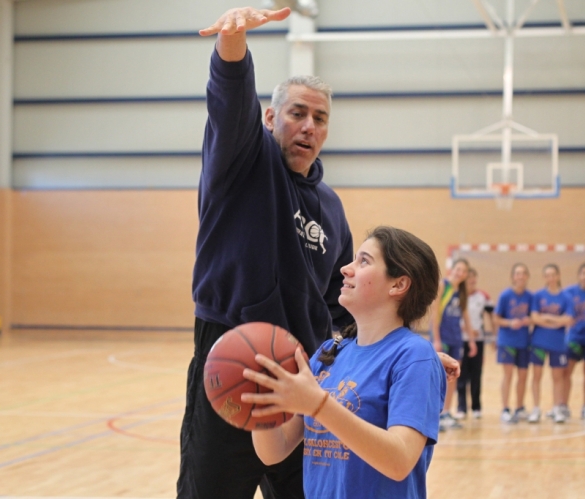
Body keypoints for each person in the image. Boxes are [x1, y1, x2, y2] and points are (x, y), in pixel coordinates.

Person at [181, 8, 460, 498]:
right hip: (232, 358)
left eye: (320, 118)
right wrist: (233, 40)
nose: (309, 126)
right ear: (271, 118)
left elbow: (346, 310)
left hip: (309, 372)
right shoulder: (243, 160)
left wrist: (402, 355)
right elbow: (229, 99)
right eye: (297, 114)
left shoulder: (331, 208)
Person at [242, 226, 446, 499]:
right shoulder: (330, 352)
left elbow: (400, 460)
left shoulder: (414, 356)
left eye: (364, 261)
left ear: (398, 285)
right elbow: (273, 452)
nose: (345, 269)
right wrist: (260, 400)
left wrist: (318, 404)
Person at [432, 259, 478, 430]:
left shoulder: (462, 291)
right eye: (458, 269)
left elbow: (465, 316)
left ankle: (446, 412)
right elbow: (434, 314)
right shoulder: (443, 286)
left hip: (456, 338)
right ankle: (435, 415)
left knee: (452, 376)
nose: (460, 273)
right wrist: (436, 339)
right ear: (452, 269)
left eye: (464, 271)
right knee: (439, 377)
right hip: (443, 337)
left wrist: (471, 340)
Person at [529, 264, 574, 424]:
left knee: (558, 377)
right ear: (544, 277)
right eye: (547, 275)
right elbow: (535, 317)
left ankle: (556, 408)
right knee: (537, 376)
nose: (551, 278)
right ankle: (536, 408)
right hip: (539, 341)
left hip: (558, 343)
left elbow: (569, 319)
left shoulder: (566, 297)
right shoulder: (538, 295)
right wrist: (557, 321)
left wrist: (547, 317)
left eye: (553, 274)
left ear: (558, 276)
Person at [493, 263, 533, 423]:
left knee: (523, 376)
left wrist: (530, 320)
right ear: (513, 277)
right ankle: (505, 409)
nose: (520, 276)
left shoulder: (530, 296)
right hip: (507, 341)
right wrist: (510, 323)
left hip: (524, 342)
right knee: (508, 375)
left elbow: (534, 316)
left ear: (527, 276)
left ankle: (520, 407)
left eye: (523, 273)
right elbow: (496, 319)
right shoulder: (505, 295)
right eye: (517, 273)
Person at [456, 268, 494, 420]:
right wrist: (466, 329)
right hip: (461, 340)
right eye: (469, 277)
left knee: (476, 374)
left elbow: (492, 316)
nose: (472, 280)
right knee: (461, 374)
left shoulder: (483, 296)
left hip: (478, 341)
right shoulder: (458, 296)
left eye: (474, 277)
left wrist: (493, 336)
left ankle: (476, 407)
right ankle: (461, 407)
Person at [562, 263, 585, 420]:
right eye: (583, 273)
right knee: (566, 372)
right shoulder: (569, 292)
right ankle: (563, 405)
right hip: (574, 338)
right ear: (578, 275)